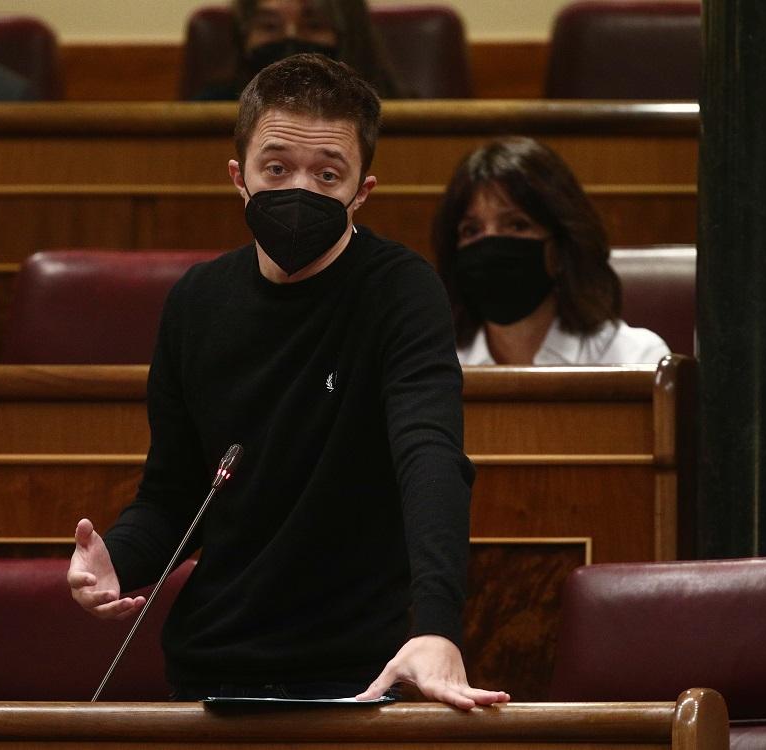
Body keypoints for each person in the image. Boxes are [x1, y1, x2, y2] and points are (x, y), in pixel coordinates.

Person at [68, 54, 507, 710]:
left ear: (362, 191)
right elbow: (174, 495)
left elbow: (431, 458)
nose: (299, 189)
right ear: (238, 177)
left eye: (327, 175)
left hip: (356, 674)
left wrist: (438, 628)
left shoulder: (401, 291)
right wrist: (118, 560)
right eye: (276, 168)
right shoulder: (197, 301)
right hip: (211, 670)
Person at [433, 137, 671, 365]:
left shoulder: (635, 358)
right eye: (471, 230)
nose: (490, 244)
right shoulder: (432, 366)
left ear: (561, 247)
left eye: (517, 224)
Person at [192, 0, 403, 100]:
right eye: (269, 26)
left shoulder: (404, 117)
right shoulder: (209, 112)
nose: (290, 38)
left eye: (313, 25)